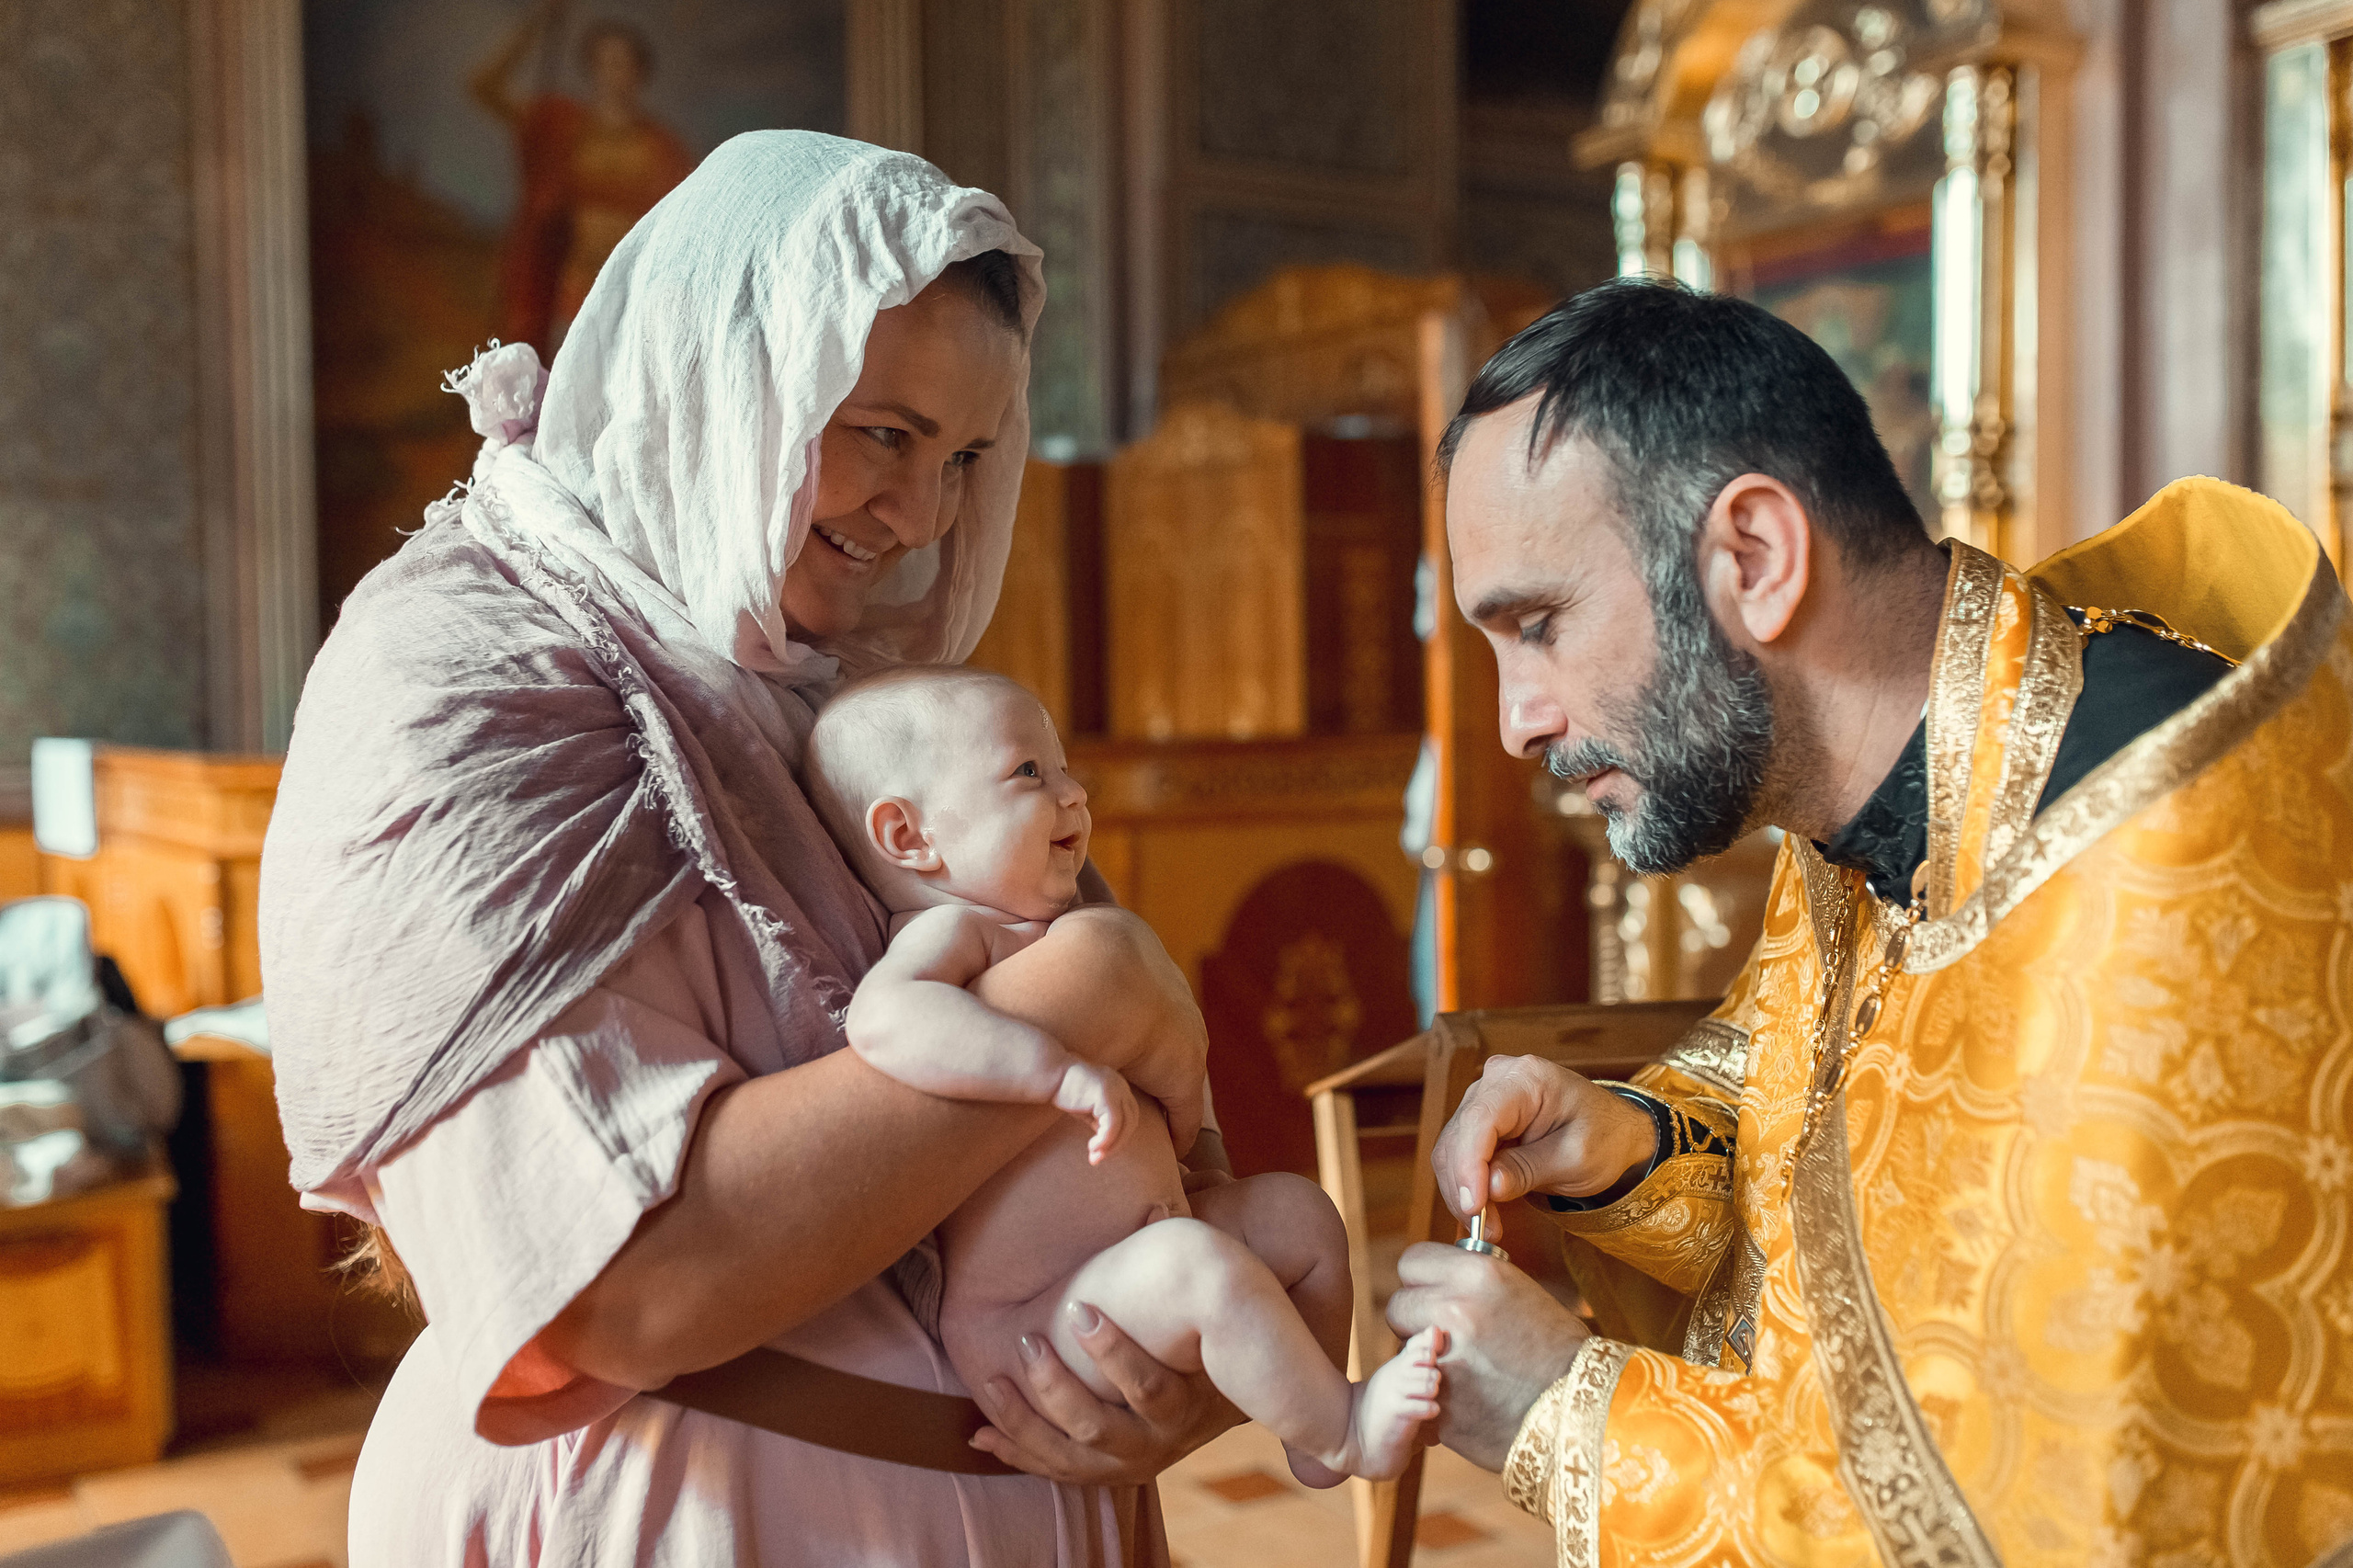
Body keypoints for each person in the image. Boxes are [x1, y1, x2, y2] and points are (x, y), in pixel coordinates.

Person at [262, 132, 1237, 1566]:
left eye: (964, 455)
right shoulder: (456, 671)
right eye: (884, 434)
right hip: (676, 1521)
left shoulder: (837, 684)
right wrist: (1083, 994)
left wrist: (1182, 1369)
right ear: (718, 380)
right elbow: (630, 1284)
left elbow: (1149, 1137)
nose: (920, 518)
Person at [1389, 278, 2353, 1566]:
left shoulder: (2160, 845)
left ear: (1755, 558)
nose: (1519, 719)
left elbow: (2069, 1517)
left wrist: (1571, 1414)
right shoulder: (1894, 775)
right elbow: (1856, 1163)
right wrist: (1630, 1145)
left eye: (1541, 626)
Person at [807, 665, 1447, 1487]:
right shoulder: (947, 933)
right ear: (909, 836)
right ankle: (1348, 1436)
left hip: (1135, 1248)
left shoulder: (1054, 924)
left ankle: (1313, 1423)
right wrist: (1051, 1070)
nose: (1074, 795)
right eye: (1029, 773)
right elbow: (884, 1020)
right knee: (1198, 1268)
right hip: (1037, 1309)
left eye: (1066, 769)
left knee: (1299, 1210)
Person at [471, 0, 693, 355]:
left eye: (622, 63)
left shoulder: (661, 148)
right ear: (591, 69)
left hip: (636, 299)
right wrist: (535, 28)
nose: (613, 73)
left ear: (639, 72)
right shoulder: (562, 127)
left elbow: (684, 226)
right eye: (604, 62)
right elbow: (483, 87)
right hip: (574, 294)